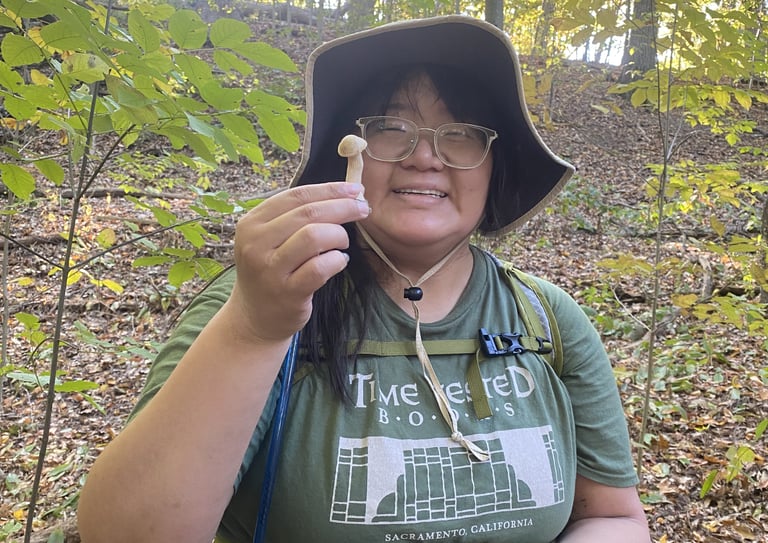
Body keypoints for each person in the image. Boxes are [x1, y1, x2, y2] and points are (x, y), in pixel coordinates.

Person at [77, 15, 651, 543]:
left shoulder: (543, 317)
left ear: (493, 165)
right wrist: (253, 331)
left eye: (460, 133)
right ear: (347, 158)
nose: (425, 157)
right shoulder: (266, 300)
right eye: (391, 127)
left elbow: (611, 516)